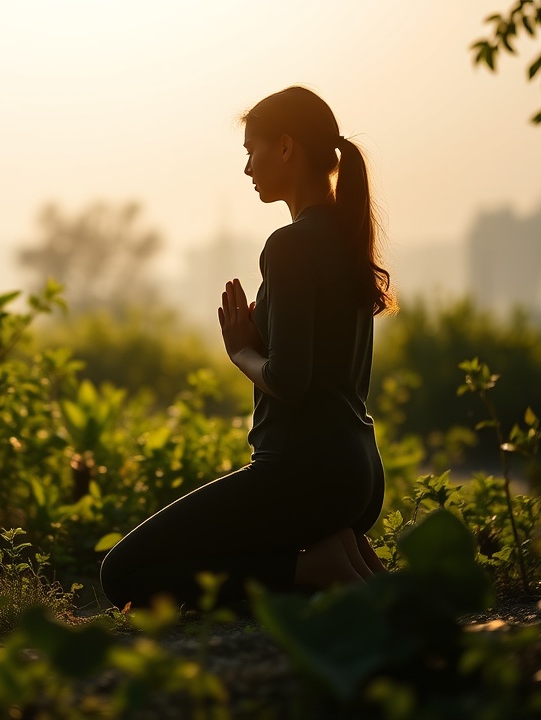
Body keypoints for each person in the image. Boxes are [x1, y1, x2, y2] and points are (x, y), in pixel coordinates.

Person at [99, 86, 395, 609]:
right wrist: (264, 339)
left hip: (304, 475)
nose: (247, 169)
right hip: (359, 475)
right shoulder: (344, 239)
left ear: (285, 148)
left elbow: (290, 380)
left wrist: (242, 351)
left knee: (123, 574)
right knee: (191, 556)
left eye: (251, 152)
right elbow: (323, 369)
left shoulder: (290, 244)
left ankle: (315, 566)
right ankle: (344, 557)